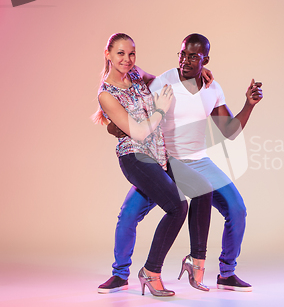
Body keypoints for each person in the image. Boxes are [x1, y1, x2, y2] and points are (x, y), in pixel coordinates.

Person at [100, 33, 263, 293]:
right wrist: (115, 128)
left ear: (205, 60)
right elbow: (132, 111)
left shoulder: (213, 88)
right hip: (166, 161)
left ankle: (226, 273)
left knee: (237, 209)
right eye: (182, 54)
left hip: (199, 162)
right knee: (129, 214)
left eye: (193, 57)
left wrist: (249, 104)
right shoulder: (162, 82)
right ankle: (120, 274)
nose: (185, 61)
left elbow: (230, 130)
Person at [94, 33, 213, 297]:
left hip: (159, 155)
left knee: (203, 189)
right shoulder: (106, 94)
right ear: (108, 54)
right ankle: (138, 273)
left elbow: (166, 79)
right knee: (172, 208)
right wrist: (159, 110)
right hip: (135, 157)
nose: (127, 59)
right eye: (120, 54)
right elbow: (137, 133)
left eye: (131, 53)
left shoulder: (135, 74)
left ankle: (196, 261)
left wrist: (200, 70)